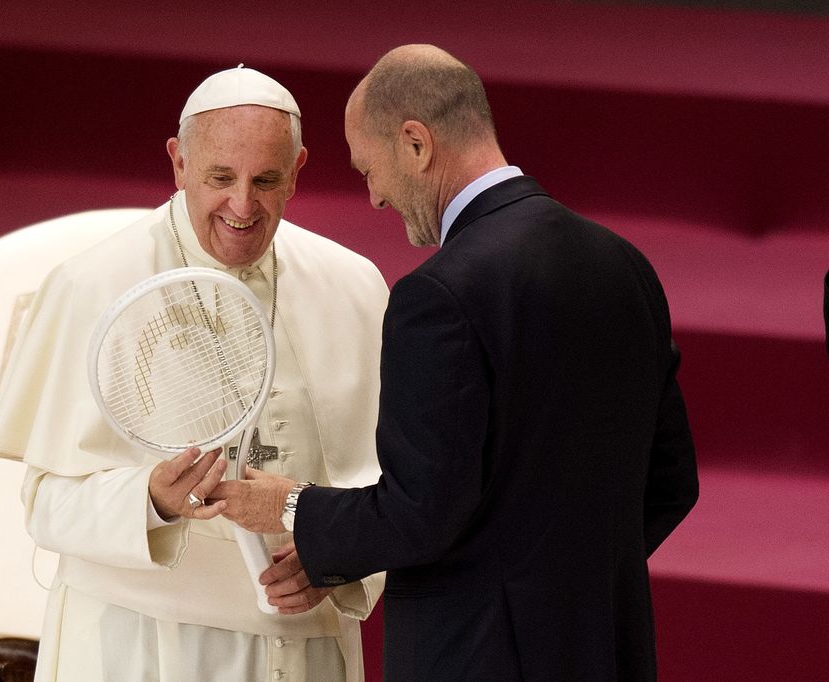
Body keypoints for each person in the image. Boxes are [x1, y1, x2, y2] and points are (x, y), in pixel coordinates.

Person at [215, 45, 700, 680]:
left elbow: (421, 513)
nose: (376, 199)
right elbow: (672, 482)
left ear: (415, 144)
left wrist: (290, 506)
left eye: (370, 170)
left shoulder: (437, 296)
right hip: (606, 650)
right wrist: (561, 588)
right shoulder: (624, 266)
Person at [0, 65, 388, 681]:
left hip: (301, 646)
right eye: (220, 178)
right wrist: (150, 501)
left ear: (299, 170)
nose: (243, 205)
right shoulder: (90, 284)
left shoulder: (352, 287)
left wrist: (335, 558)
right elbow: (45, 506)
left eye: (267, 180)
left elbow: (397, 489)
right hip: (139, 646)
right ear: (177, 163)